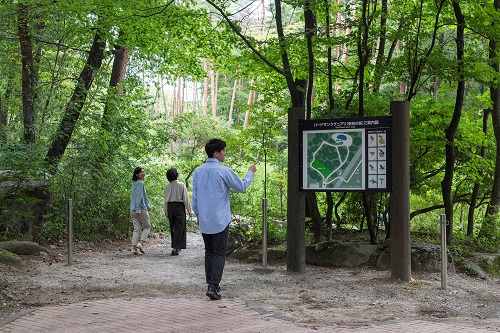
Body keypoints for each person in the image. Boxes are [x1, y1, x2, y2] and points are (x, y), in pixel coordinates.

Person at [192, 138, 257, 300]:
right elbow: (241, 187)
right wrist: (250, 172)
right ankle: (213, 286)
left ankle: (211, 284)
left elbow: (195, 197)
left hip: (205, 219)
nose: (224, 154)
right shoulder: (223, 171)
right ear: (216, 153)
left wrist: (198, 215)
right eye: (223, 151)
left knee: (209, 252)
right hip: (220, 219)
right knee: (220, 252)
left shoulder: (198, 172)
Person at [163, 168, 192, 256]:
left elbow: (165, 200)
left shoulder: (167, 187)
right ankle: (175, 248)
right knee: (180, 227)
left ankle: (175, 247)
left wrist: (166, 211)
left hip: (170, 207)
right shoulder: (181, 185)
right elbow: (186, 199)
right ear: (176, 175)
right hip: (179, 207)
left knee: (173, 227)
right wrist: (190, 211)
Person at [130, 166, 152, 255]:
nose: (143, 173)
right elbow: (139, 197)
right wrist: (140, 209)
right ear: (137, 174)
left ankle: (134, 248)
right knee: (147, 226)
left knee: (137, 229)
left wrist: (148, 205)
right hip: (139, 210)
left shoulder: (134, 184)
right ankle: (140, 244)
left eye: (144, 171)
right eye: (141, 172)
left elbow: (142, 197)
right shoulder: (140, 183)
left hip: (132, 209)